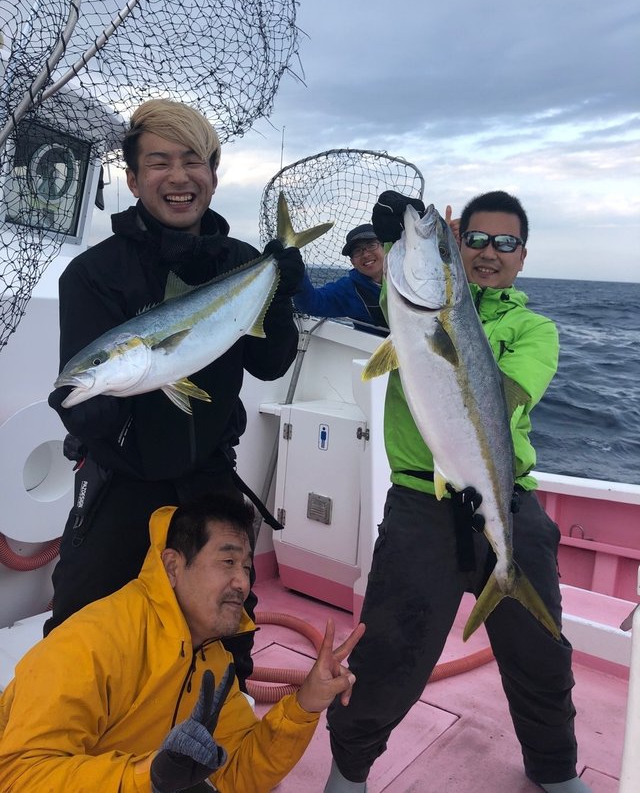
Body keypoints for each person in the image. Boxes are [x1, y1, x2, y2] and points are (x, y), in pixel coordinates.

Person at [324, 190, 591, 793]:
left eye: (505, 242)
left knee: (541, 654)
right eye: (472, 240)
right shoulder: (408, 309)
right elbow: (402, 282)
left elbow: (505, 396)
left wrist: (449, 320)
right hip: (421, 504)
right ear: (457, 248)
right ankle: (349, 771)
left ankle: (553, 768)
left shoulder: (534, 330)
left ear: (523, 255)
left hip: (505, 501)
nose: (489, 252)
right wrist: (406, 247)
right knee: (389, 654)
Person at [46, 99, 305, 689]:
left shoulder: (244, 263)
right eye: (158, 162)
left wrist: (280, 294)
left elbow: (270, 364)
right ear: (133, 179)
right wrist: (99, 411)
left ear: (213, 175)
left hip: (211, 476)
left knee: (226, 627)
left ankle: (212, 750)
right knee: (79, 628)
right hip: (121, 482)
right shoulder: (91, 274)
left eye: (193, 161)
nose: (178, 177)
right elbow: (83, 392)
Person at [0, 490, 365, 791]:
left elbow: (238, 773)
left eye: (247, 567)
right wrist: (151, 777)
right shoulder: (92, 642)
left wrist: (305, 705)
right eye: (227, 562)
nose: (242, 582)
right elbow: (20, 775)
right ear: (173, 566)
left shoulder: (213, 658)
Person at [293, 223, 388, 334]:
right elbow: (310, 304)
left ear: (385, 248)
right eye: (357, 251)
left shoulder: (406, 274)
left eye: (371, 245)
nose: (366, 254)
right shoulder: (348, 290)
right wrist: (296, 270)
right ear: (352, 262)